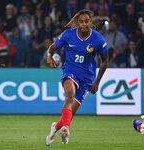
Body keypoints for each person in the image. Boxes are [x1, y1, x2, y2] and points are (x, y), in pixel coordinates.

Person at [45, 9, 109, 146]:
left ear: (90, 22)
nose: (84, 24)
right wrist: (49, 56)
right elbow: (51, 48)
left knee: (69, 113)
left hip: (87, 77)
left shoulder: (98, 39)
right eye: (81, 21)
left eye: (87, 21)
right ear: (77, 22)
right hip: (70, 71)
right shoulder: (68, 34)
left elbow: (105, 61)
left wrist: (97, 82)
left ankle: (56, 128)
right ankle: (66, 130)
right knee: (69, 95)